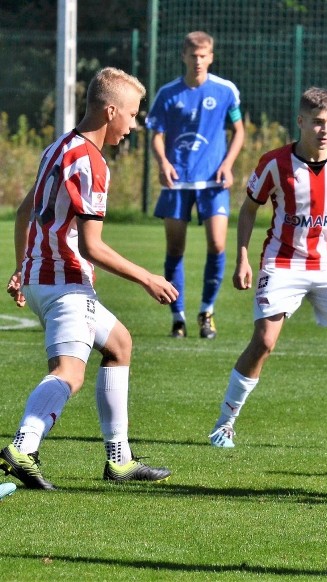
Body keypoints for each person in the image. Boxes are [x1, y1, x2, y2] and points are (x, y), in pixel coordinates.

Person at [2, 67, 176, 490]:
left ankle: (120, 459)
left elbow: (25, 212)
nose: (133, 127)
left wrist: (23, 268)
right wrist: (146, 278)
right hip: (65, 281)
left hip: (47, 277)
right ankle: (21, 448)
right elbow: (92, 246)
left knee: (119, 344)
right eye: (132, 115)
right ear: (110, 110)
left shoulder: (58, 147)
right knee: (69, 373)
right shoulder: (90, 161)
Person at [207, 87, 327, 448]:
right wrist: (242, 255)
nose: (325, 130)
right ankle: (225, 423)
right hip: (283, 263)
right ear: (300, 121)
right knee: (264, 342)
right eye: (317, 122)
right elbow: (250, 207)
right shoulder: (275, 163)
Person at [146, 30, 245, 339]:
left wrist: (228, 165)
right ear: (183, 56)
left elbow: (239, 131)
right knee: (175, 248)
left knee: (217, 244)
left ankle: (207, 312)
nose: (198, 61)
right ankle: (178, 316)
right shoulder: (168, 93)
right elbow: (156, 134)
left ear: (211, 57)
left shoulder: (226, 90)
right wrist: (163, 163)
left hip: (213, 182)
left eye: (203, 56)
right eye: (193, 55)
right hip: (177, 182)